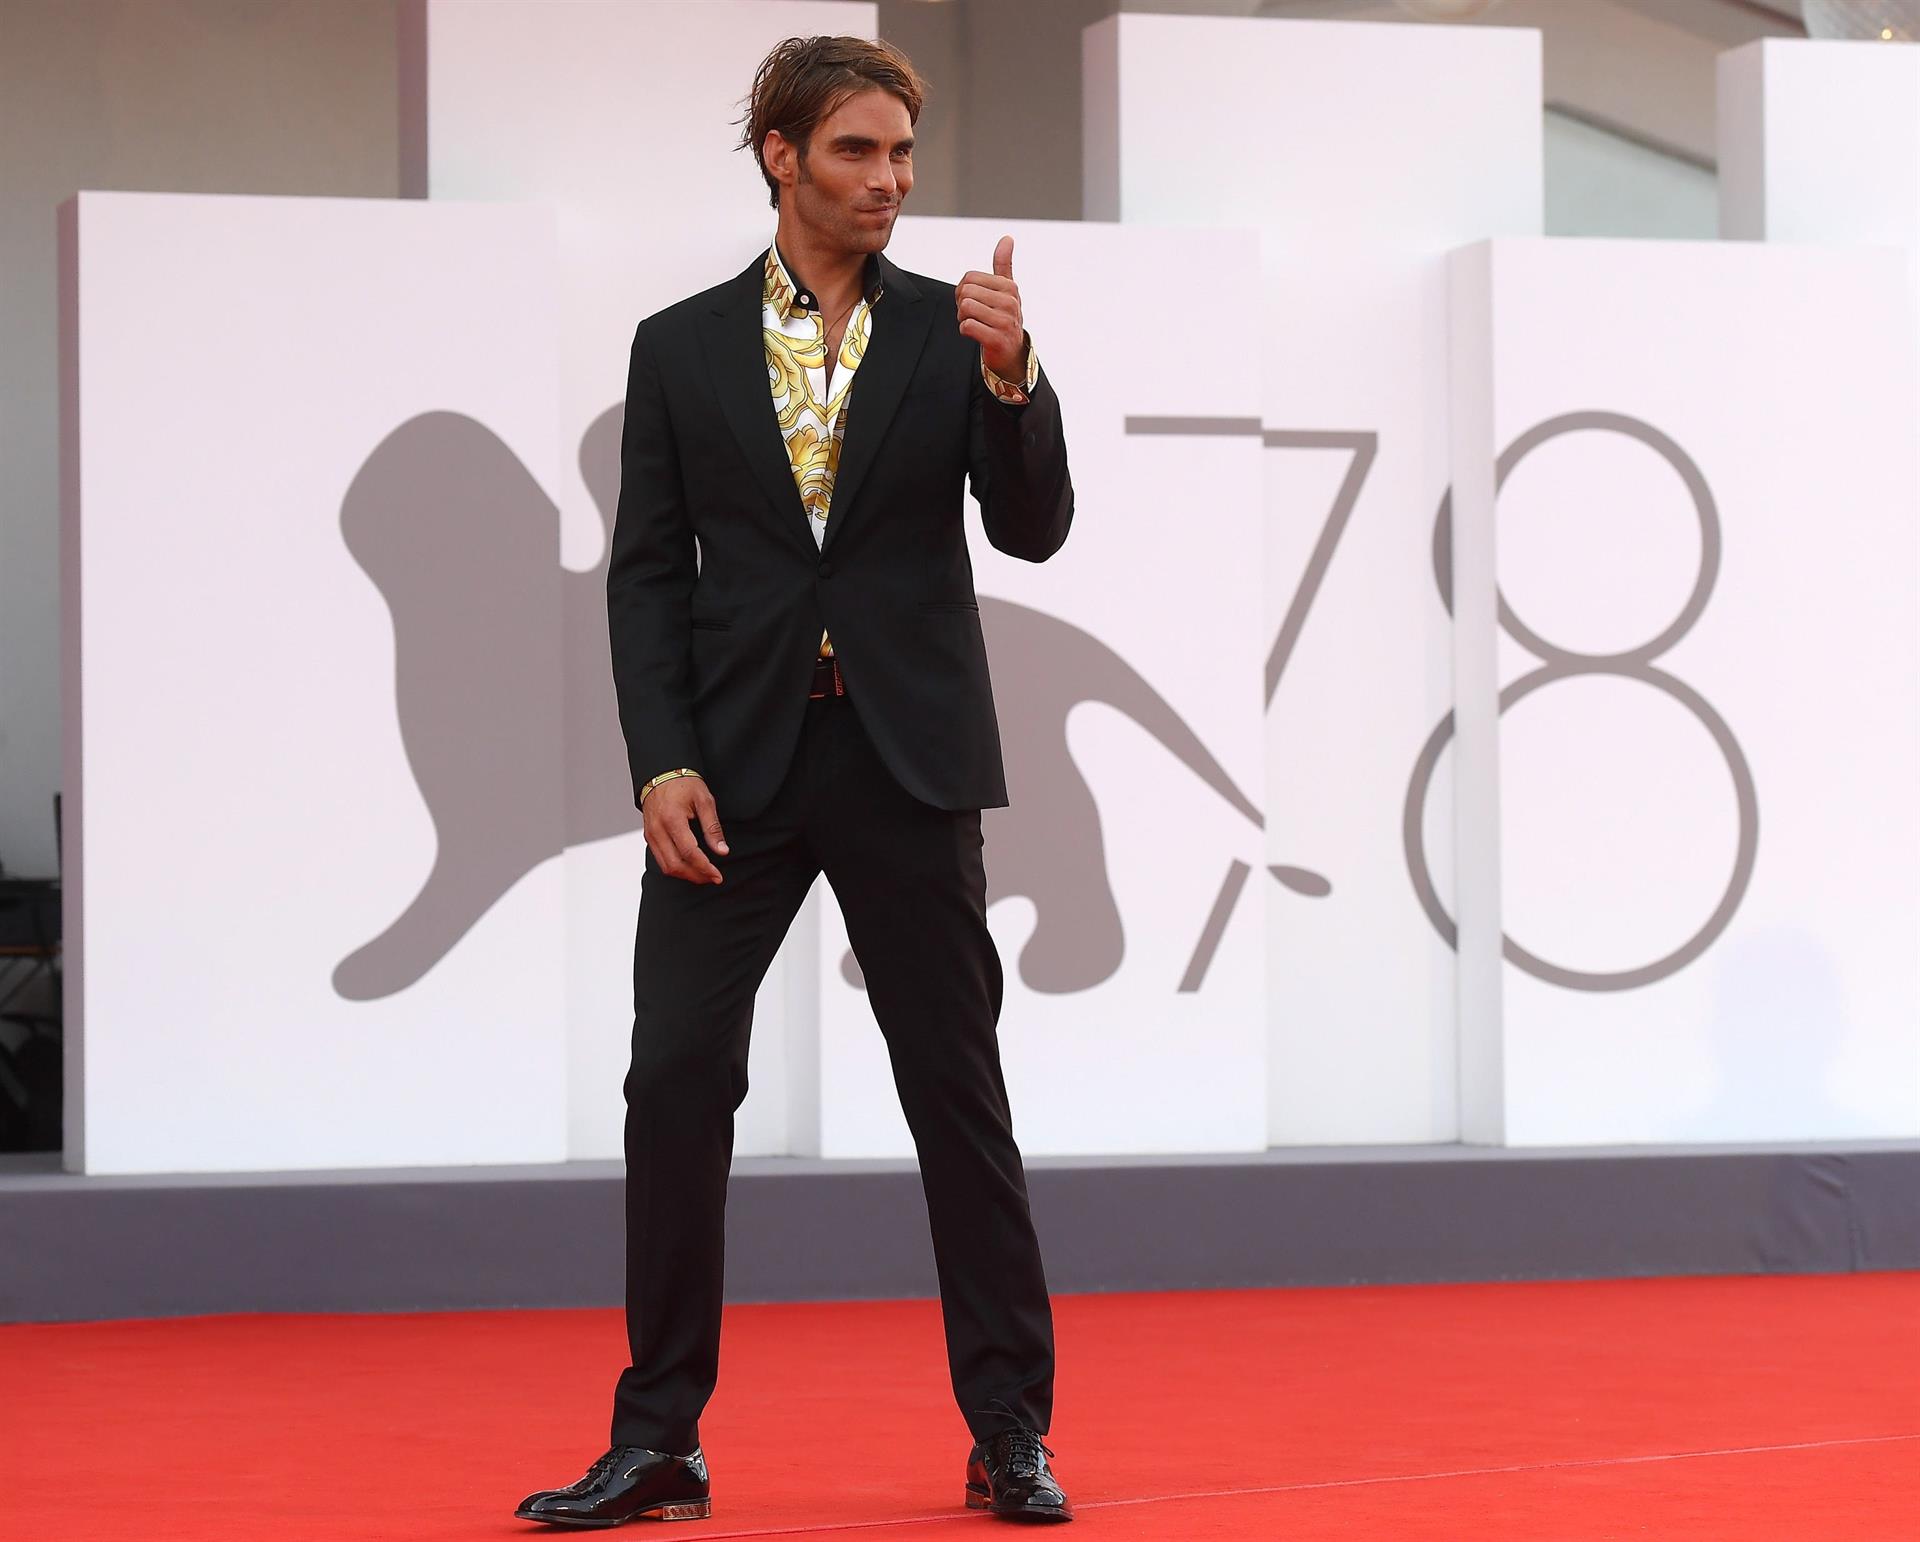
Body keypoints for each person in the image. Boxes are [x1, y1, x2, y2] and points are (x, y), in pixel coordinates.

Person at [513, 34, 1076, 1529]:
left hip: (906, 762)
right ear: (781, 154)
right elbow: (646, 577)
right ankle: (659, 1438)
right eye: (857, 152)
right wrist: (662, 756)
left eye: (902, 155)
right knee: (676, 1085)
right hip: (734, 774)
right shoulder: (679, 345)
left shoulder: (961, 332)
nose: (889, 181)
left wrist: (1018, 377)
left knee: (957, 1092)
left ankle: (1010, 1428)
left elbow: (1034, 530)